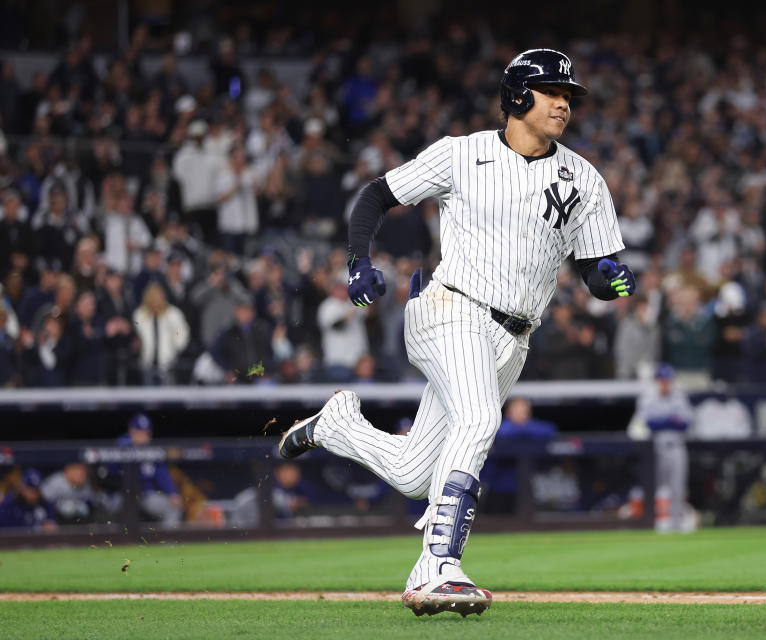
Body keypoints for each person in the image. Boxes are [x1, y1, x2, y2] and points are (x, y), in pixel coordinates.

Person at [277, 49, 634, 617]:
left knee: (416, 473)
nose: (565, 103)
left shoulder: (584, 177)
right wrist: (357, 262)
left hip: (513, 338)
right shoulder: (461, 153)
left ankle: (337, 426)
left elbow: (596, 269)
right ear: (518, 96)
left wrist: (610, 277)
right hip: (450, 308)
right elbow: (375, 196)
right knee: (479, 419)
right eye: (551, 92)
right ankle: (437, 565)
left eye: (569, 95)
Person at [630, 364, 694, 532]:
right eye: (662, 380)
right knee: (654, 485)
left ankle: (676, 524)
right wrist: (670, 420)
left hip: (677, 445)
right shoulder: (648, 397)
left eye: (668, 380)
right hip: (656, 447)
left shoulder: (680, 396)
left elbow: (685, 423)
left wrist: (665, 421)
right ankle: (653, 522)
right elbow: (649, 423)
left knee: (678, 486)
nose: (666, 383)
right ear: (657, 381)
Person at [115, 413, 183, 526]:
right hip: (121, 495)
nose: (142, 436)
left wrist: (172, 493)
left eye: (145, 433)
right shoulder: (121, 446)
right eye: (138, 432)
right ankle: (112, 541)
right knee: (110, 507)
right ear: (131, 431)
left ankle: (167, 541)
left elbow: (162, 475)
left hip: (146, 495)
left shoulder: (152, 450)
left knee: (174, 506)